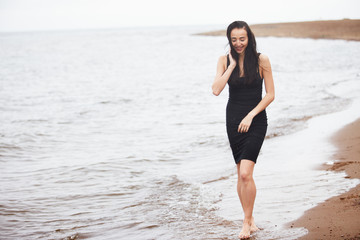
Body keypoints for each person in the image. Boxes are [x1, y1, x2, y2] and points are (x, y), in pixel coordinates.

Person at [212, 21, 275, 239]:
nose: (238, 43)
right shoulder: (223, 60)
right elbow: (216, 90)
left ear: (249, 38)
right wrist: (230, 66)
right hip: (233, 121)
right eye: (234, 39)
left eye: (242, 38)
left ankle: (246, 223)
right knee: (241, 174)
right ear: (229, 39)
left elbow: (270, 94)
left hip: (256, 120)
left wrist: (251, 115)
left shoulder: (261, 60)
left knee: (246, 173)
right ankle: (250, 218)